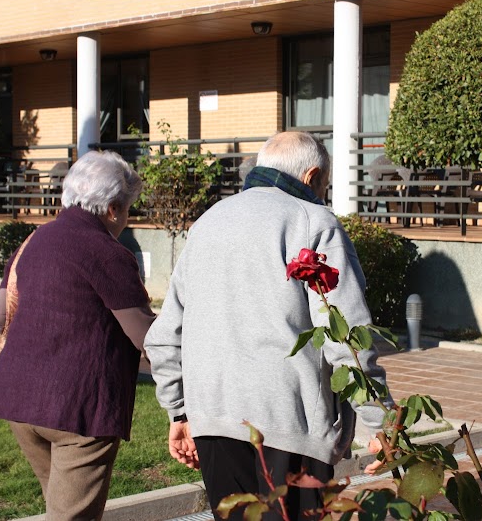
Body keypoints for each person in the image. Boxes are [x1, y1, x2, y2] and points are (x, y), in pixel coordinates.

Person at [144, 131, 390, 520]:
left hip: (214, 421)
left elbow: (164, 334)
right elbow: (345, 337)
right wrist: (382, 423)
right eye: (323, 184)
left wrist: (180, 412)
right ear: (312, 177)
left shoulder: (208, 222)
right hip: (291, 426)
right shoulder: (313, 221)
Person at [0, 150, 156, 520]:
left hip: (20, 403)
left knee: (58, 510)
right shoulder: (108, 252)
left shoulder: (33, 241)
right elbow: (145, 336)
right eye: (128, 209)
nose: (126, 220)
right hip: (79, 412)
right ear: (112, 208)